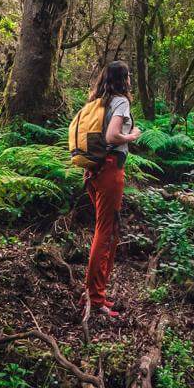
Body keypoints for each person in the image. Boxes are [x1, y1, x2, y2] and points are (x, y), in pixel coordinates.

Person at [80, 60, 141, 324]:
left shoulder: (98, 101)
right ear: (123, 78)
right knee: (105, 233)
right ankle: (95, 298)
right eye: (128, 76)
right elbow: (112, 136)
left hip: (93, 171)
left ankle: (97, 293)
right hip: (109, 170)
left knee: (107, 232)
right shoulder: (119, 102)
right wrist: (132, 135)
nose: (130, 80)